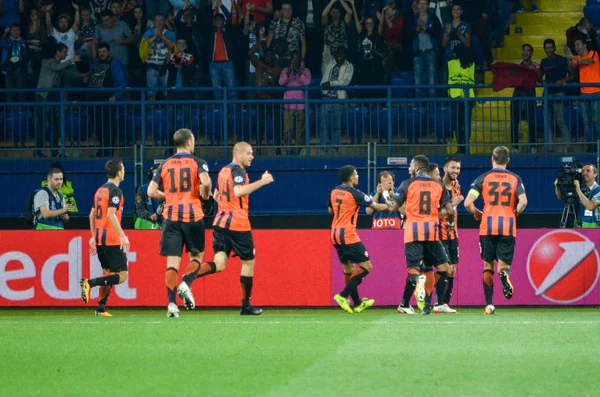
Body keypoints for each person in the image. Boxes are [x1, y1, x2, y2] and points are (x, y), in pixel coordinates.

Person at [178, 142, 273, 315]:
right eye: (249, 153)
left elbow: (215, 194)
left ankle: (188, 279)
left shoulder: (223, 171)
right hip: (238, 224)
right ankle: (246, 306)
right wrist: (263, 181)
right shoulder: (239, 171)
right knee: (248, 263)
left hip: (220, 223)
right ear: (238, 154)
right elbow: (237, 192)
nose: (252, 156)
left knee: (219, 263)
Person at [147, 129, 212, 318]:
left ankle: (171, 305)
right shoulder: (198, 162)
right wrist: (205, 194)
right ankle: (186, 283)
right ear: (189, 142)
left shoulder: (164, 164)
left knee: (171, 263)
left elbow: (151, 191)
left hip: (171, 218)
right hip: (193, 216)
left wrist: (168, 196)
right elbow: (206, 182)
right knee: (197, 257)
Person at [464, 146, 528, 315]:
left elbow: (467, 203)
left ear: (492, 159)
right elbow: (523, 201)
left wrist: (477, 213)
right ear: (508, 161)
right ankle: (505, 275)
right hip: (507, 226)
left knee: (487, 265)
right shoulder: (515, 178)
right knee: (503, 265)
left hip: (488, 226)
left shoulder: (483, 178)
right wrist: (514, 213)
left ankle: (489, 304)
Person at [390, 155, 453, 315]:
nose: (408, 167)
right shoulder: (438, 185)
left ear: (417, 168)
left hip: (413, 232)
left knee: (413, 269)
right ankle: (428, 303)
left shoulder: (407, 184)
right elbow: (450, 210)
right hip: (432, 232)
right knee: (444, 267)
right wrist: (440, 216)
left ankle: (419, 286)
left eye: (410, 165)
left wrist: (388, 199)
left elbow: (393, 208)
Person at [330, 165, 389, 314]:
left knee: (348, 269)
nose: (358, 176)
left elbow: (330, 210)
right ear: (351, 178)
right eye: (356, 174)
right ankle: (343, 296)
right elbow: (377, 207)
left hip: (335, 234)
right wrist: (393, 206)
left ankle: (356, 303)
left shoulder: (334, 191)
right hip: (348, 235)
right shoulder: (355, 193)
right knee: (367, 266)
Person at [80, 159, 129, 317]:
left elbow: (92, 215)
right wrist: (122, 235)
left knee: (109, 274)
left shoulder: (99, 191)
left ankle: (101, 308)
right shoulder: (115, 191)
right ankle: (90, 283)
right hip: (112, 239)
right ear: (118, 172)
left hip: (100, 240)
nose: (124, 171)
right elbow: (110, 214)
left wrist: (94, 238)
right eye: (123, 168)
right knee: (121, 276)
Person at [437, 157, 464, 313]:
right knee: (444, 268)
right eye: (453, 168)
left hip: (453, 233)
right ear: (444, 168)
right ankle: (435, 301)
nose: (456, 171)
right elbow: (436, 213)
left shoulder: (456, 187)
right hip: (439, 233)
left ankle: (444, 303)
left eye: (458, 168)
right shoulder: (437, 187)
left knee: (452, 269)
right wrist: (453, 204)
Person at [564, 39, 600, 153]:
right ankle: (590, 145)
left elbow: (588, 62)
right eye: (575, 45)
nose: (576, 47)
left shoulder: (593, 53)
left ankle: (599, 144)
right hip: (584, 93)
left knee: (597, 120)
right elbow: (571, 69)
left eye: (578, 44)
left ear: (585, 45)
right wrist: (569, 59)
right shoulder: (577, 58)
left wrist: (572, 57)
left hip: (596, 92)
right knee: (586, 121)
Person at [540, 39, 572, 151]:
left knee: (560, 120)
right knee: (547, 121)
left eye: (550, 47)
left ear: (554, 48)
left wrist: (563, 80)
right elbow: (540, 78)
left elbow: (572, 75)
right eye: (546, 48)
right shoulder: (543, 62)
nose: (549, 50)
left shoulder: (562, 60)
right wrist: (542, 81)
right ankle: (549, 148)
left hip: (559, 93)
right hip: (547, 94)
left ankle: (569, 146)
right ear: (544, 49)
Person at [447, 44, 474, 154]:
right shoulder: (471, 64)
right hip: (468, 97)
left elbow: (447, 79)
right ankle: (465, 147)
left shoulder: (450, 63)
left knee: (458, 124)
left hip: (456, 96)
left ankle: (460, 147)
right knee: (466, 123)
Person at [134, 164, 164, 230]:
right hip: (148, 222)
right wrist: (150, 216)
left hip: (164, 224)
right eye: (155, 175)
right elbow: (140, 209)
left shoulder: (169, 190)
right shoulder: (142, 189)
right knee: (139, 221)